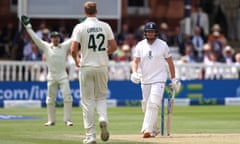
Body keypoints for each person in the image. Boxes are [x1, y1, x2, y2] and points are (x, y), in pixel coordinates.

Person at [70, 1, 117, 144]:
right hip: (102, 66)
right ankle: (103, 118)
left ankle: (90, 136)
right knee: (101, 97)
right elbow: (114, 47)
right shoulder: (105, 26)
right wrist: (104, 52)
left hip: (86, 67)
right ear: (96, 11)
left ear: (85, 13)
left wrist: (77, 60)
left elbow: (73, 49)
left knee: (87, 101)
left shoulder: (80, 27)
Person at [20, 15, 74, 126]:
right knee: (50, 99)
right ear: (50, 38)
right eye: (54, 37)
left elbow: (75, 37)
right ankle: (51, 120)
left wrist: (82, 25)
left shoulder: (64, 46)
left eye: (57, 37)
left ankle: (67, 120)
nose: (56, 39)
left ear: (59, 38)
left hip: (63, 75)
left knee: (67, 98)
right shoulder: (46, 46)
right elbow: (35, 38)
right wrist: (28, 26)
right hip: (51, 76)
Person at [131, 22, 180, 138]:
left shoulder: (163, 45)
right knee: (146, 105)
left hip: (159, 78)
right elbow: (135, 61)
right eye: (148, 31)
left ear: (156, 33)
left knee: (153, 103)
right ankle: (154, 128)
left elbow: (170, 63)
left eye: (152, 31)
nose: (150, 33)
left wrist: (173, 79)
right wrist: (134, 72)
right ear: (145, 33)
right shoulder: (140, 45)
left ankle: (146, 130)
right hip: (145, 79)